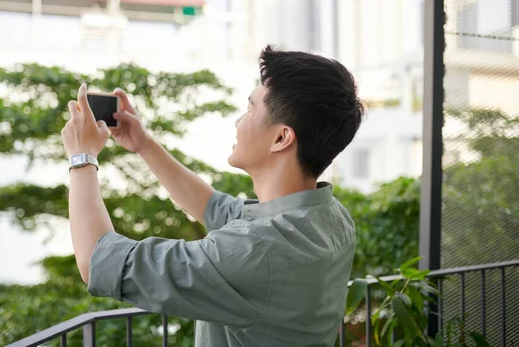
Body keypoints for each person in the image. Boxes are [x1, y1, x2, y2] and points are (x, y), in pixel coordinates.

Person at [60, 45, 364, 347]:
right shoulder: (329, 218)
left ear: (281, 137)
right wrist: (144, 144)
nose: (238, 121)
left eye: (249, 110)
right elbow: (212, 207)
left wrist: (82, 157)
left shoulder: (257, 250)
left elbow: (97, 261)